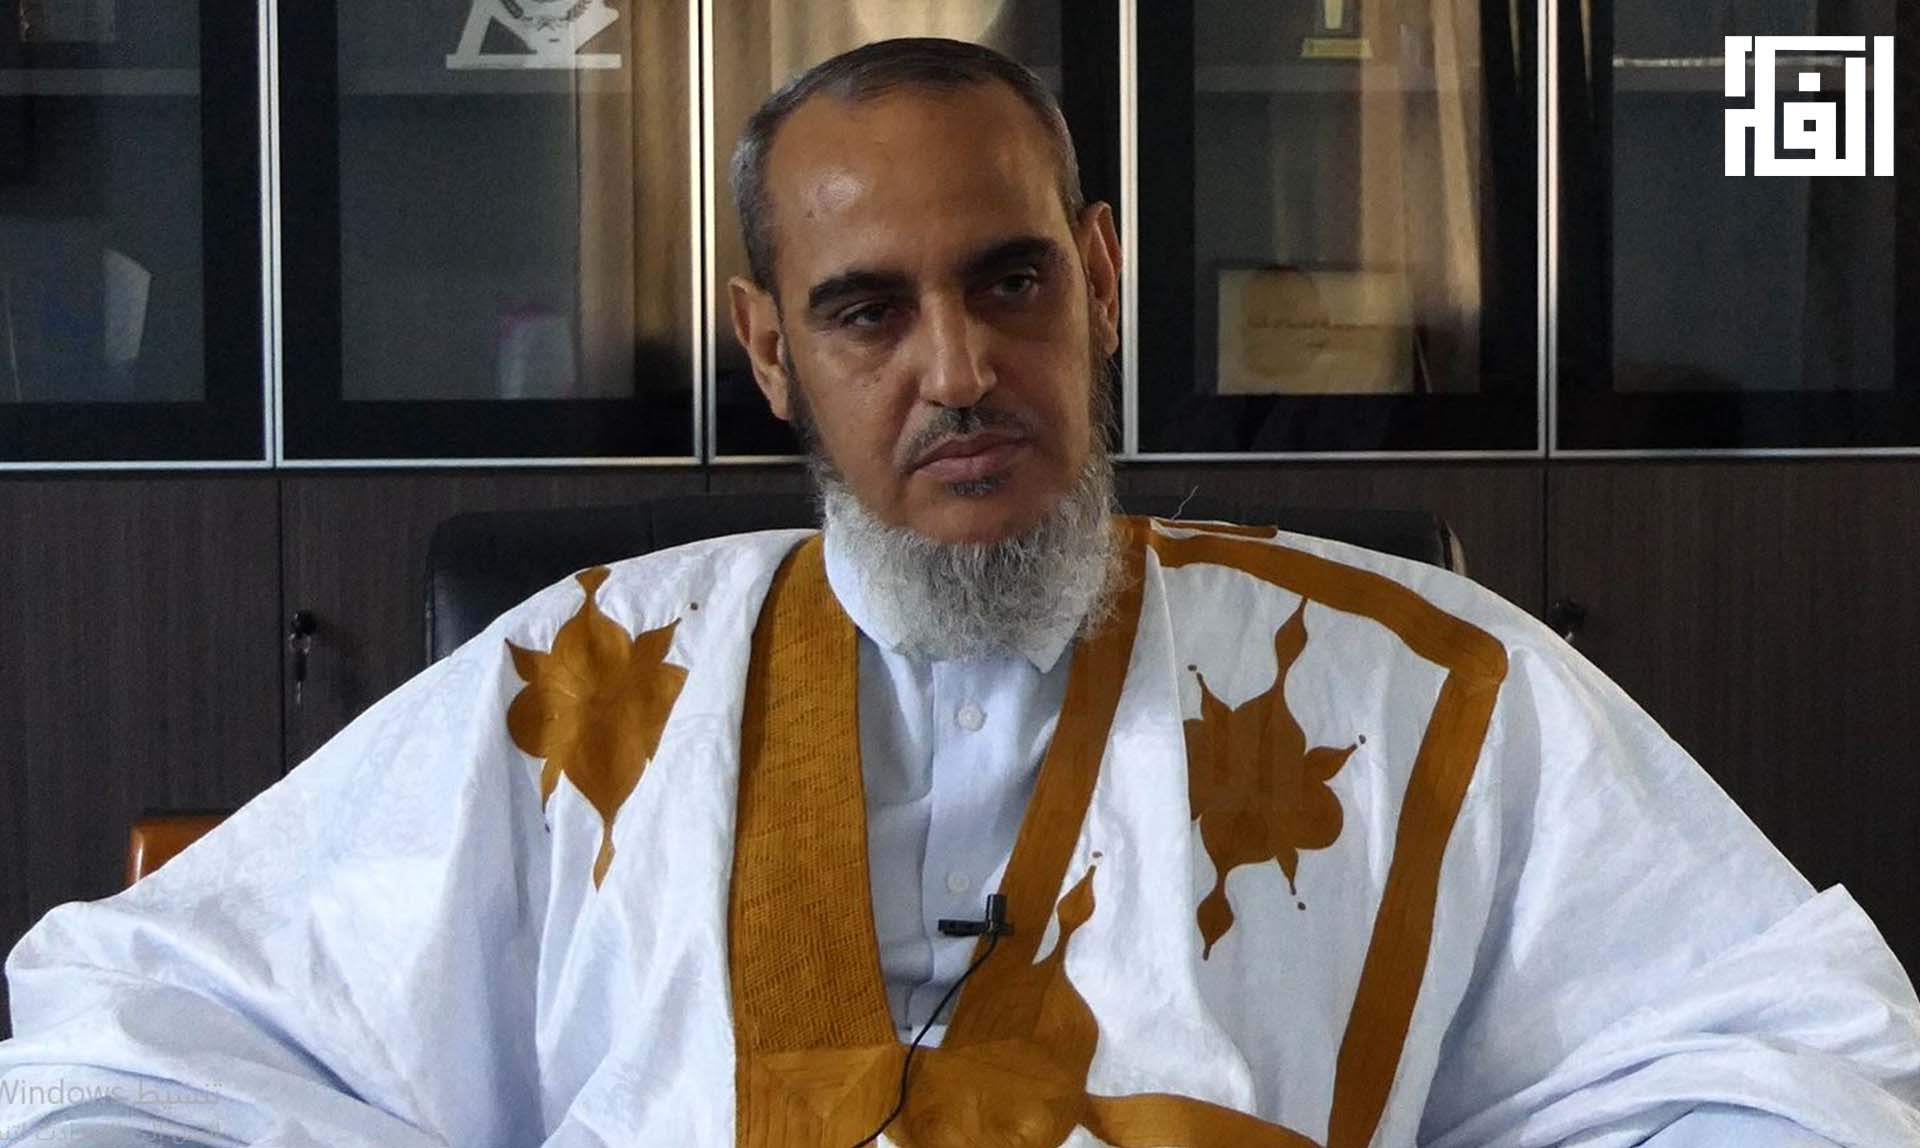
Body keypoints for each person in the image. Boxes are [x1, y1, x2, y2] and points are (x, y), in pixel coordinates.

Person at [3, 37, 1917, 1148]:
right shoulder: (586, 679)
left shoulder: (1414, 681)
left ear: (1101, 279)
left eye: (1010, 281)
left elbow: (1795, 1059)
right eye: (866, 311)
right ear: (771, 351)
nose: (960, 369)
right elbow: (129, 1038)